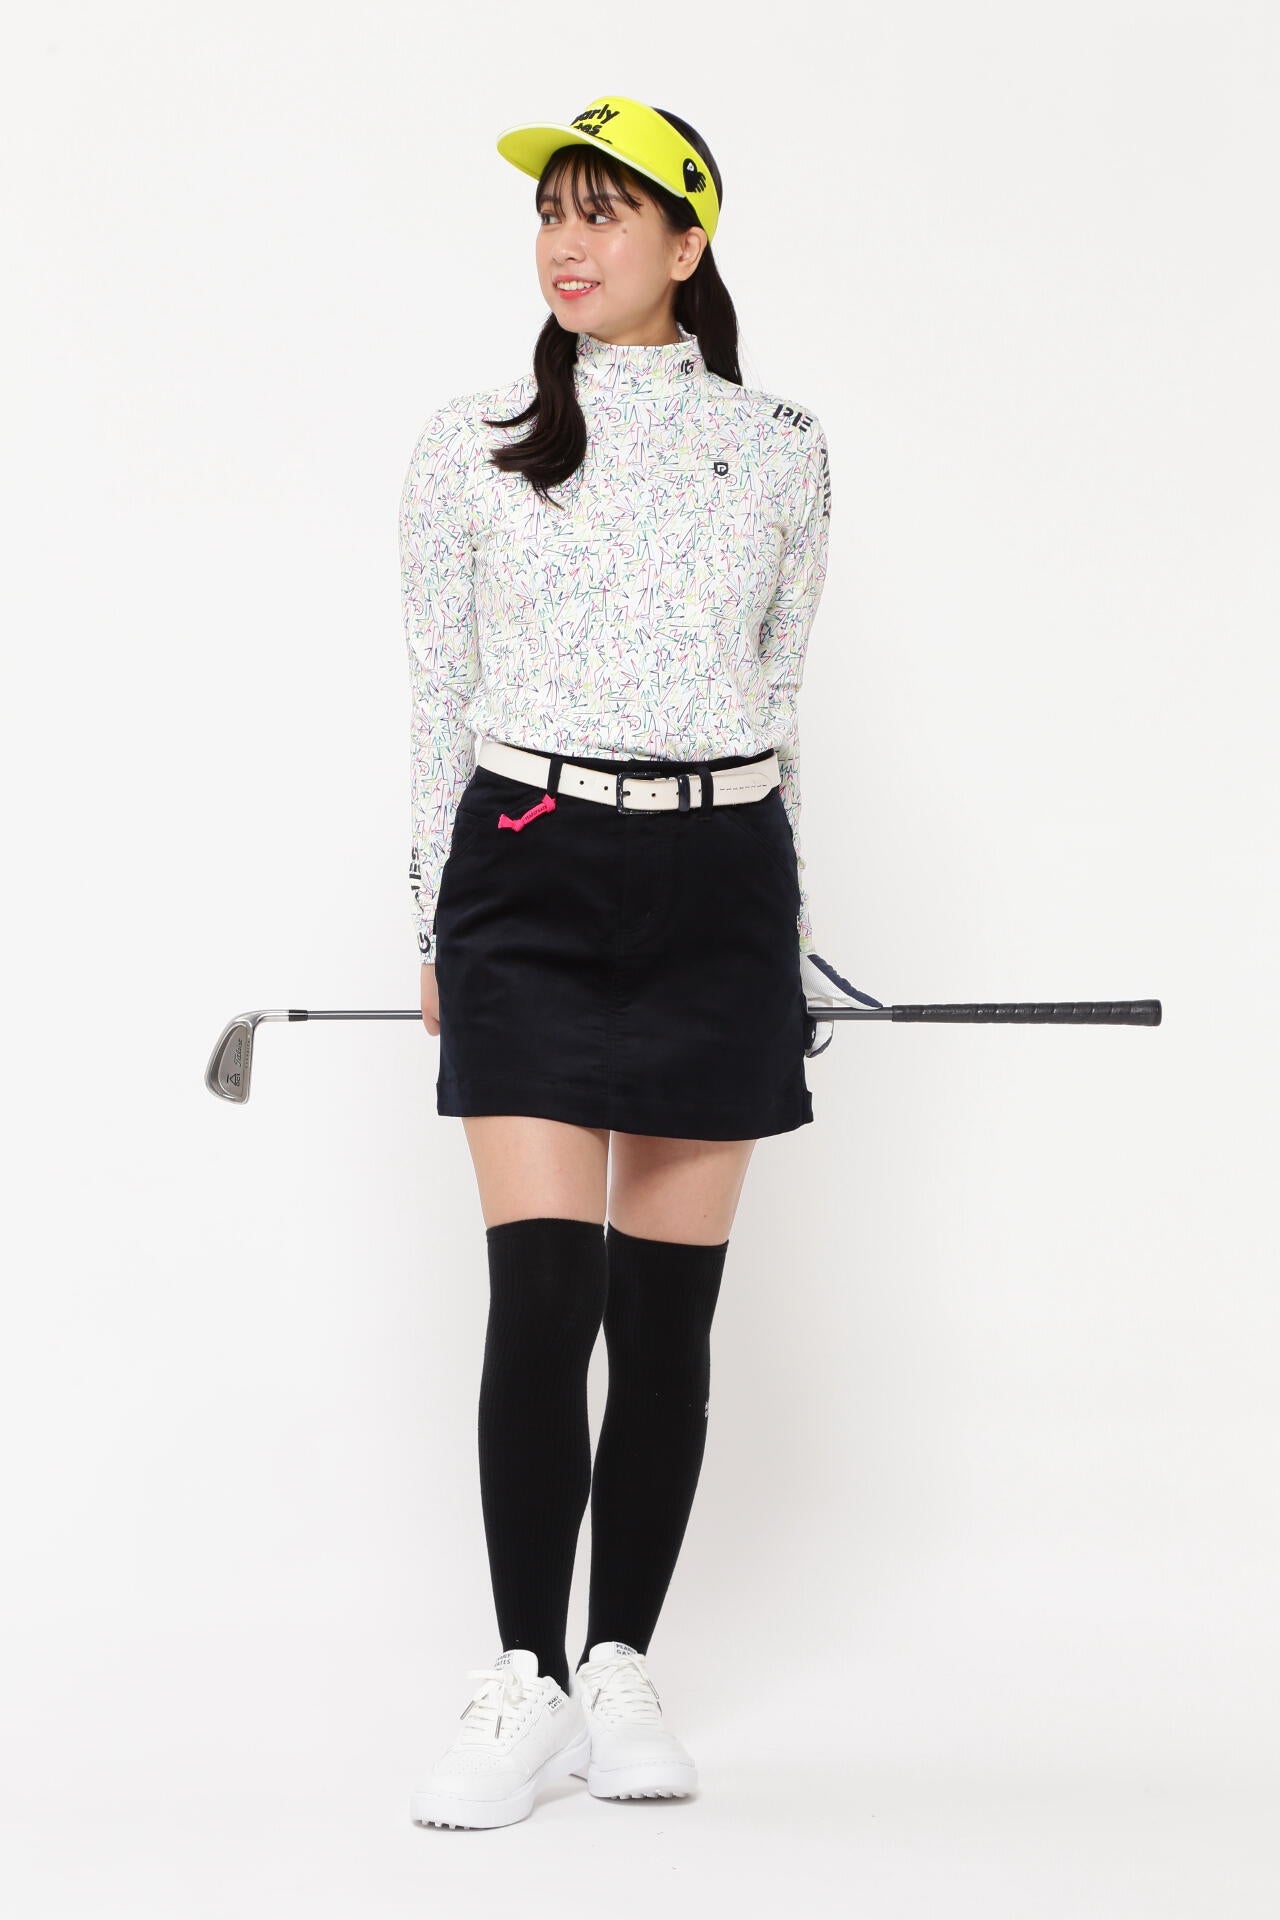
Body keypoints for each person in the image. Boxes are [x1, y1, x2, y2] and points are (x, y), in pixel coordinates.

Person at [402, 96, 832, 1831]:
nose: (566, 244)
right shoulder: (473, 443)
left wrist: (791, 933)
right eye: (551, 215)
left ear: (686, 241)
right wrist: (427, 919)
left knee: (668, 1320)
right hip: (526, 867)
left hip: (720, 881)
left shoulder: (781, 446)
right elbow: (438, 695)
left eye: (604, 213)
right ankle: (522, 1675)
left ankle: (619, 1664)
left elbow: (780, 699)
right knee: (545, 1295)